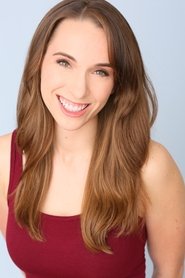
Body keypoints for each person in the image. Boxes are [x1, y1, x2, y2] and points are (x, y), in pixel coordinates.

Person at [0, 0, 184, 277]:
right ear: (39, 62)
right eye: (64, 62)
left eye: (100, 71)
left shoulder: (150, 166)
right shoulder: (4, 158)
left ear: (117, 83)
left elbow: (169, 271)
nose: (78, 89)